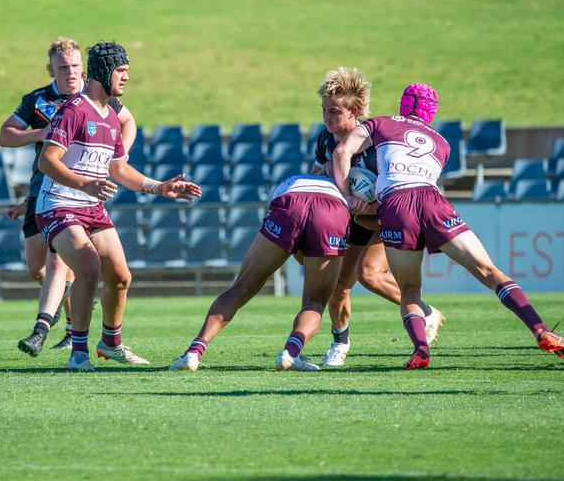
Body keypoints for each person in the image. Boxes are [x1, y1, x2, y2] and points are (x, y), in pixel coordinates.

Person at [332, 82, 564, 368]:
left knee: (410, 290)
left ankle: (421, 350)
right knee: (490, 271)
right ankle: (541, 330)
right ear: (431, 113)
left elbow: (342, 151)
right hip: (432, 200)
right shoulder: (442, 143)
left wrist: (348, 195)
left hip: (395, 206)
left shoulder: (380, 123)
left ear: (402, 103)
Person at [37, 41, 201, 372]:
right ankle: (78, 354)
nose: (126, 78)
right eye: (121, 71)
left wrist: (160, 187)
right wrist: (84, 183)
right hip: (58, 204)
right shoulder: (74, 110)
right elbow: (46, 160)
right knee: (88, 265)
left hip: (91, 207)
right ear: (102, 72)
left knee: (121, 277)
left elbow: (119, 169)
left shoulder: (111, 116)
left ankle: (110, 344)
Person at [0, 37, 138, 356]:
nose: (72, 72)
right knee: (38, 268)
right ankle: (69, 307)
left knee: (68, 261)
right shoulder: (38, 100)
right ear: (51, 69)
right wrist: (41, 133)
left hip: (74, 200)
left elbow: (127, 121)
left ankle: (47, 328)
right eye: (64, 67)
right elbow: (5, 136)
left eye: (76, 66)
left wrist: (121, 155)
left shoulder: (97, 96)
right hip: (45, 186)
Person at [310, 67, 445, 366]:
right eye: (323, 110)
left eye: (334, 111)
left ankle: (423, 311)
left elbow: (395, 194)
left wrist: (362, 204)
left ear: (354, 111)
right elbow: (318, 173)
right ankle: (340, 342)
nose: (327, 117)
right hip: (355, 219)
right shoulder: (325, 140)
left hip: (387, 216)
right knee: (339, 284)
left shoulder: (376, 142)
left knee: (369, 274)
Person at [171, 173, 361, 372]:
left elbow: (293, 244)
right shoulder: (350, 182)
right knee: (314, 302)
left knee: (240, 288)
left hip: (290, 200)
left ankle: (194, 352)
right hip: (332, 209)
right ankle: (290, 353)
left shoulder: (295, 178)